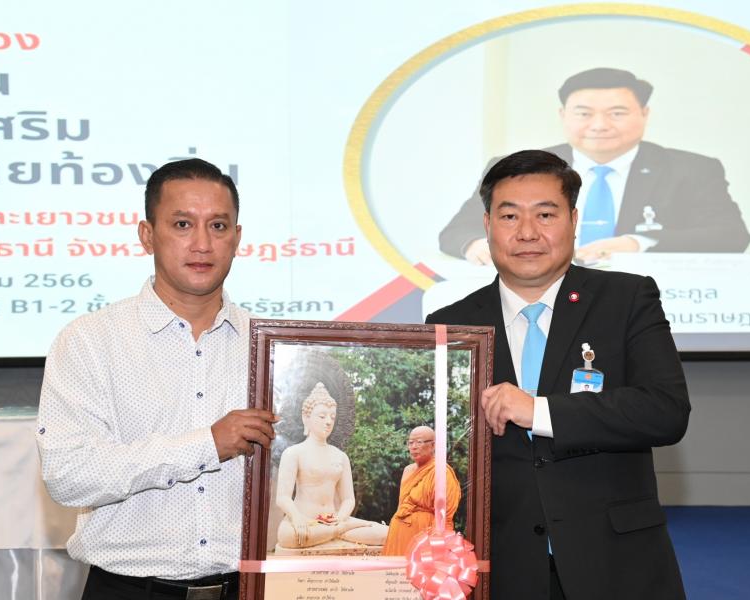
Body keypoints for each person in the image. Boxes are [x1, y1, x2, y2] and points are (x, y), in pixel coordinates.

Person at [427, 149, 690, 599]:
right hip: (497, 569)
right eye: (509, 216)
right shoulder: (450, 325)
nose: (527, 232)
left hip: (614, 564)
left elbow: (665, 411)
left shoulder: (627, 299)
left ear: (573, 220)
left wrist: (539, 411)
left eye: (545, 214)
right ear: (487, 225)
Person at [37, 158, 277, 600]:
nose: (202, 244)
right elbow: (68, 475)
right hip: (128, 591)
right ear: (147, 235)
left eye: (218, 226)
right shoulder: (90, 341)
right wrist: (207, 444)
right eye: (183, 224)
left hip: (249, 589)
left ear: (237, 237)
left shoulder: (272, 348)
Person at [439, 67, 750, 264]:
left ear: (644, 114)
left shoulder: (692, 169)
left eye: (617, 113)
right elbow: (456, 232)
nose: (599, 125)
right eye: (584, 113)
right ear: (563, 115)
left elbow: (731, 235)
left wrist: (638, 244)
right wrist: (476, 245)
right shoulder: (517, 168)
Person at [275, 382, 388, 554]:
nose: (328, 422)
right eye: (322, 416)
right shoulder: (293, 453)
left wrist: (340, 519)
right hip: (305, 520)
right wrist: (297, 518)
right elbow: (283, 498)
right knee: (288, 537)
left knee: (386, 534)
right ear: (306, 418)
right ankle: (338, 532)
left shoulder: (340, 456)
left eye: (332, 417)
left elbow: (348, 499)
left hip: (335, 519)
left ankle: (335, 531)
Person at [381, 425, 461, 555]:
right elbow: (401, 505)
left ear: (433, 445)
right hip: (398, 534)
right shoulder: (407, 470)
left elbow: (444, 515)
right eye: (410, 442)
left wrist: (437, 543)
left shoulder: (441, 471)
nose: (413, 447)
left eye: (419, 442)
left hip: (423, 536)